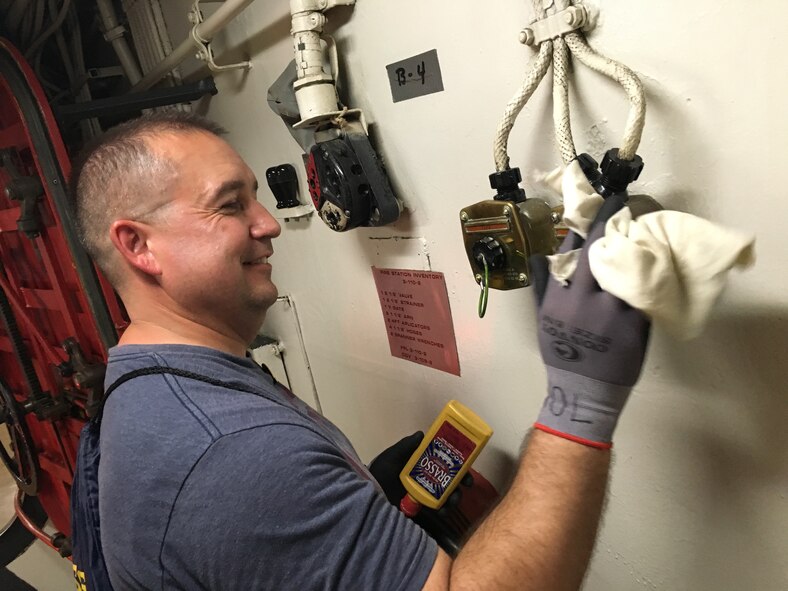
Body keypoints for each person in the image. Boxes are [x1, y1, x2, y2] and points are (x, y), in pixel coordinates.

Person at [70, 111, 650, 590]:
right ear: (138, 245)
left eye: (255, 198)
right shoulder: (229, 451)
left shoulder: (149, 388)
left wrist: (359, 504)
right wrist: (581, 399)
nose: (269, 224)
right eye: (229, 205)